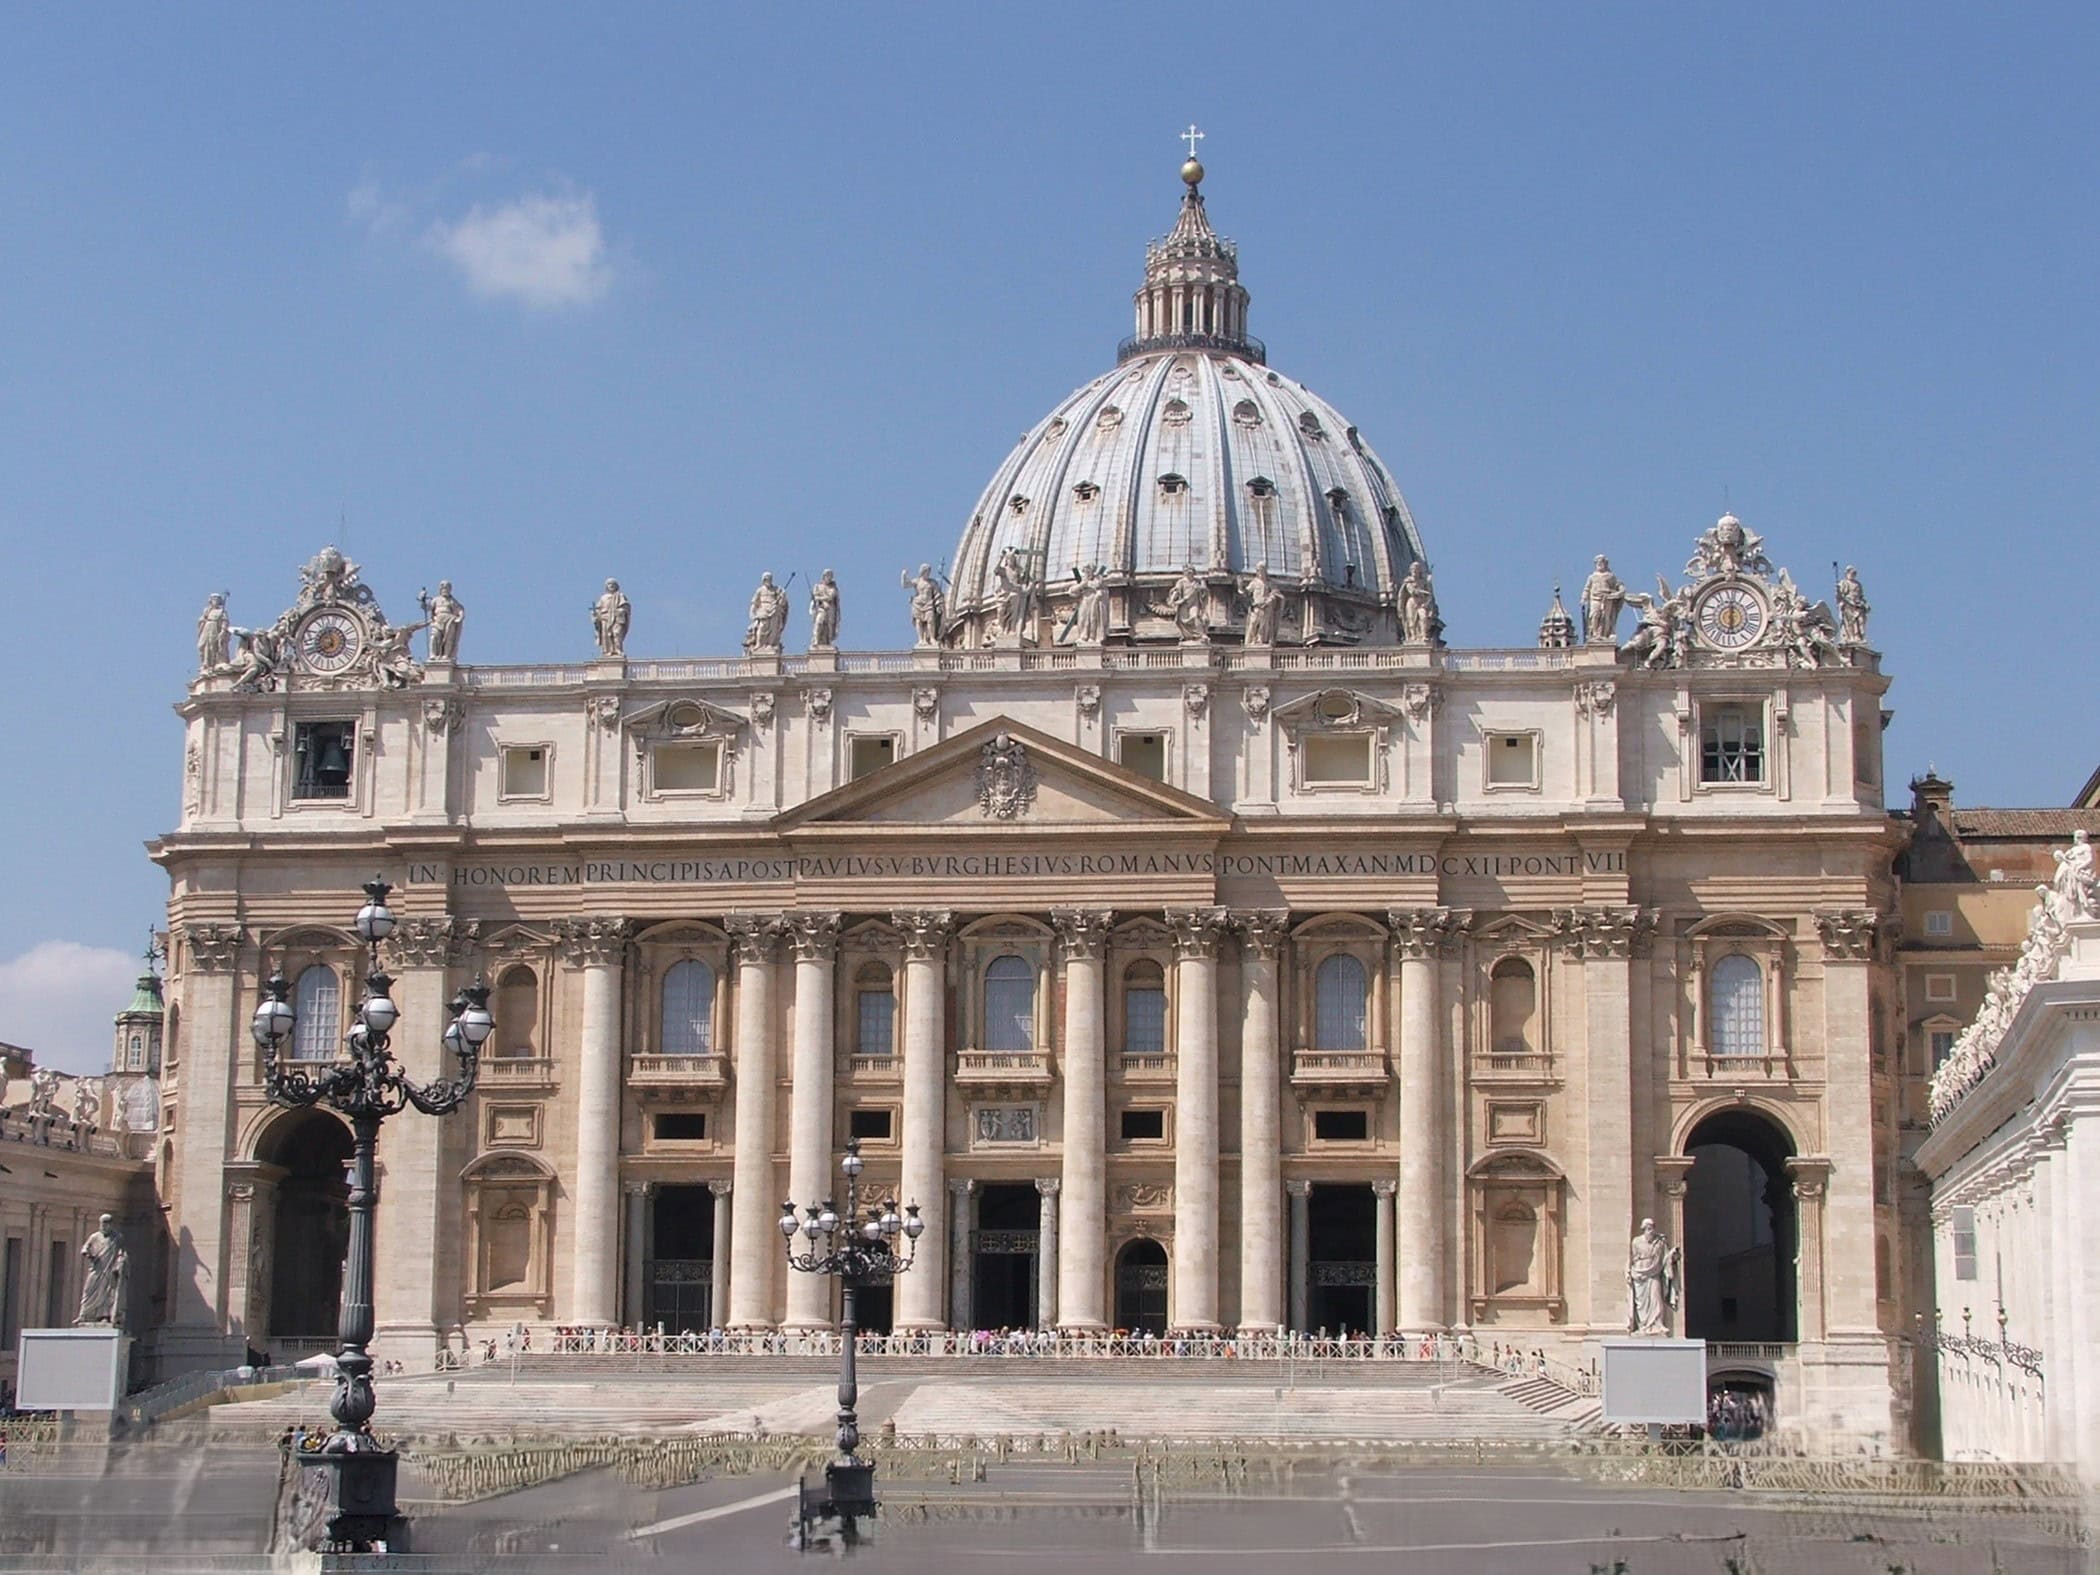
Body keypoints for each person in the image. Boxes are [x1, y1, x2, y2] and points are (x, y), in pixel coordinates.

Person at [1625, 1218, 1679, 1336]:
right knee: (1641, 1304)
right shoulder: (1636, 1241)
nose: (1650, 1231)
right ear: (1643, 1229)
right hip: (1639, 1274)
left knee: (1656, 1300)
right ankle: (1642, 1326)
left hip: (1654, 1273)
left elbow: (1666, 1258)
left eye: (1652, 1228)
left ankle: (1656, 1325)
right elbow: (1633, 1258)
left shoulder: (1660, 1242)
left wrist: (1673, 1256)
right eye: (1648, 1229)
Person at [75, 1214, 127, 1328]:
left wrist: (119, 1264)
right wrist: (89, 1254)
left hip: (109, 1270)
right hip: (96, 1269)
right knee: (88, 1290)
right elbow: (84, 1248)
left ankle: (105, 1316)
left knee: (107, 1293)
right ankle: (84, 1314)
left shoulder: (117, 1238)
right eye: (102, 1223)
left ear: (110, 1224)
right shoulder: (95, 1236)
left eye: (105, 1223)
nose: (103, 1226)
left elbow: (122, 1253)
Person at [1580, 556, 1626, 645]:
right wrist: (1584, 598)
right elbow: (1587, 588)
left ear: (1605, 564)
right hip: (1595, 598)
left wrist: (1620, 591)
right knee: (1594, 615)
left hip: (1607, 598)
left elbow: (1618, 585)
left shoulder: (1610, 576)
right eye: (1598, 563)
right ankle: (1594, 634)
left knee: (1606, 617)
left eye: (1602, 562)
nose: (1600, 564)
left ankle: (1605, 635)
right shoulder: (1592, 577)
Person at [743, 572, 789, 654]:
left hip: (774, 609)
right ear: (763, 580)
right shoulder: (760, 590)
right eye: (766, 579)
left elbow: (782, 602)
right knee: (762, 627)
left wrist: (782, 596)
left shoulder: (776, 589)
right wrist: (753, 613)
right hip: (763, 610)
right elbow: (754, 603)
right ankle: (760, 645)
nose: (768, 580)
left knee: (773, 628)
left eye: (769, 578)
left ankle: (770, 645)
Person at [420, 581, 465, 661]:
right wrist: (422, 600)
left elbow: (460, 609)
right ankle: (433, 654)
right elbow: (427, 608)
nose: (445, 590)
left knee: (448, 638)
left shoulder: (452, 601)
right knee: (434, 636)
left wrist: (460, 617)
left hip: (449, 620)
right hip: (437, 621)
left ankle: (446, 655)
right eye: (443, 588)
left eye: (447, 588)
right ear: (440, 590)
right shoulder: (435, 600)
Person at [901, 563, 945, 646]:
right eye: (927, 571)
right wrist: (904, 575)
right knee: (919, 621)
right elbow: (905, 585)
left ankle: (932, 638)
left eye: (929, 572)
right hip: (917, 604)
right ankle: (921, 639)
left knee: (931, 620)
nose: (928, 573)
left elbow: (937, 594)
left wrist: (938, 604)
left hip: (929, 604)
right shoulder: (917, 581)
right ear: (922, 572)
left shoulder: (932, 583)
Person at [1243, 562, 1281, 646]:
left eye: (1261, 570)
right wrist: (1240, 587)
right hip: (1256, 606)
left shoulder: (1269, 583)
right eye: (1258, 570)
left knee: (1263, 625)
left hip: (1266, 607)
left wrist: (1269, 600)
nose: (1260, 572)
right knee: (1253, 623)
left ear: (1265, 571)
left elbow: (1275, 594)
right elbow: (1246, 592)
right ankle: (1253, 639)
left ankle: (1260, 640)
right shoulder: (1254, 582)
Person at [592, 579, 631, 658]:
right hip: (605, 618)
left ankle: (618, 650)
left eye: (613, 584)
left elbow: (626, 607)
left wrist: (621, 611)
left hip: (617, 618)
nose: (611, 585)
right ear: (606, 586)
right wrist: (596, 615)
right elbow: (598, 609)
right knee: (606, 636)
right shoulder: (603, 598)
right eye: (609, 584)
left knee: (616, 633)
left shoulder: (620, 596)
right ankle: (607, 651)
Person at [1834, 566, 1870, 644]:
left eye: (1854, 573)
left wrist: (1865, 604)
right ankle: (1851, 637)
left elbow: (1861, 596)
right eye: (1851, 573)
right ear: (1847, 573)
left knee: (1860, 621)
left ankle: (1858, 636)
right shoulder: (1844, 583)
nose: (1853, 574)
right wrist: (1838, 591)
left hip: (1858, 605)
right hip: (1848, 604)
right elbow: (1839, 596)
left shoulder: (1858, 584)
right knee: (1850, 621)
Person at [196, 593, 231, 672]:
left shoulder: (222, 611)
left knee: (213, 645)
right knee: (202, 645)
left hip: (214, 628)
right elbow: (201, 620)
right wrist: (202, 620)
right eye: (213, 599)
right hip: (206, 627)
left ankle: (210, 665)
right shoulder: (207, 610)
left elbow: (225, 622)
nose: (215, 601)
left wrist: (222, 631)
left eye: (217, 599)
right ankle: (205, 663)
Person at [808, 569, 841, 649]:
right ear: (824, 576)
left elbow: (831, 597)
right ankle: (816, 640)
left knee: (830, 625)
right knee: (819, 622)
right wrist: (819, 599)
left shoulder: (833, 588)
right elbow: (815, 597)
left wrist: (820, 598)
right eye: (828, 576)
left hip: (830, 609)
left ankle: (829, 641)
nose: (829, 578)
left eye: (830, 576)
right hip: (821, 608)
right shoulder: (818, 586)